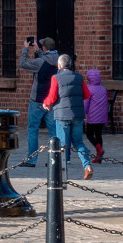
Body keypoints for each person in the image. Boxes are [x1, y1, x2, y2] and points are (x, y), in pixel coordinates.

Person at [42, 53, 95, 179]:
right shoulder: (78, 77)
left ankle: (62, 173)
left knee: (62, 145)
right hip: (78, 114)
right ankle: (87, 166)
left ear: (59, 65)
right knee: (78, 142)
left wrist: (46, 103)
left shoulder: (56, 77)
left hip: (62, 115)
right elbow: (87, 94)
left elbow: (52, 96)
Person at [19, 37, 59, 166]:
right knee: (53, 130)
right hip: (52, 99)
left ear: (44, 48)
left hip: (37, 100)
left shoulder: (39, 62)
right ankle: (55, 159)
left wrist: (25, 49)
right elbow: (47, 61)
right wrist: (38, 51)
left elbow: (23, 63)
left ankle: (32, 159)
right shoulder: (59, 60)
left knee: (33, 129)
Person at [83, 67, 108, 161]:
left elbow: (86, 103)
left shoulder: (89, 89)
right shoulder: (103, 89)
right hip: (102, 117)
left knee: (89, 134)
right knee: (98, 135)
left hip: (92, 117)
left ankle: (99, 149)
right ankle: (99, 157)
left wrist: (83, 113)